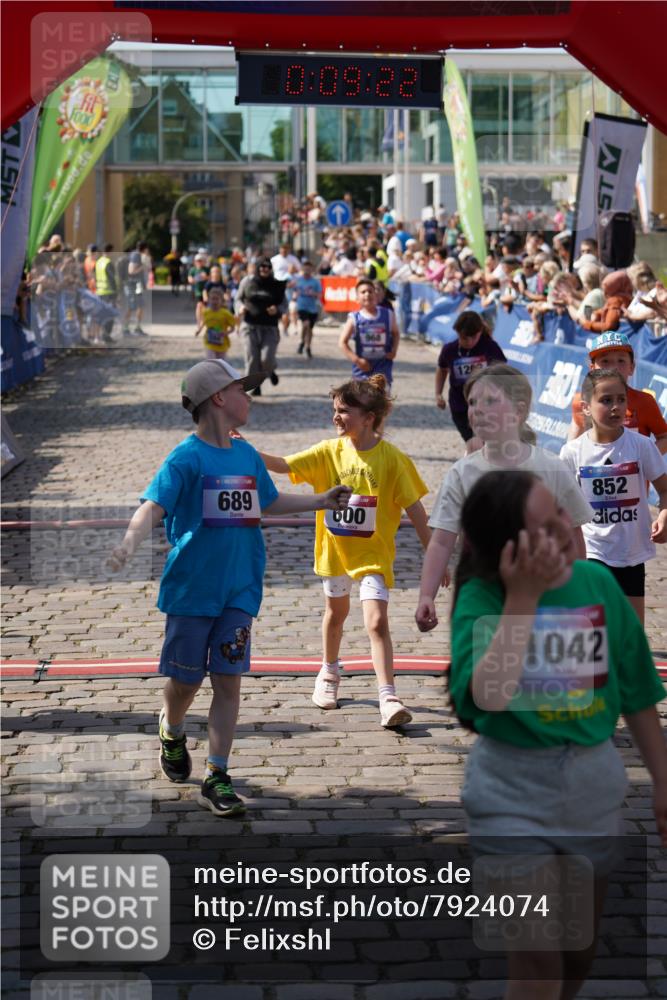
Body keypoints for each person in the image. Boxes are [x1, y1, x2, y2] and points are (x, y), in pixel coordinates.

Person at [449, 469, 666, 1000]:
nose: (569, 530)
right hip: (508, 790)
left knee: (577, 952)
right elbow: (486, 698)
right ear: (507, 549)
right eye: (546, 527)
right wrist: (522, 599)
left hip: (591, 786)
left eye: (564, 512)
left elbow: (636, 690)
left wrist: (663, 780)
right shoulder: (482, 596)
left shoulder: (595, 584)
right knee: (538, 957)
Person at [109, 358, 351, 817]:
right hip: (192, 591)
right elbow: (153, 506)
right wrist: (128, 542)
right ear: (219, 398)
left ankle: (218, 774)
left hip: (240, 588)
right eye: (244, 389)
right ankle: (172, 728)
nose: (250, 397)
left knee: (227, 681)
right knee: (185, 681)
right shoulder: (186, 458)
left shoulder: (246, 454)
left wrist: (321, 500)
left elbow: (271, 500)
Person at [257, 375, 430, 728]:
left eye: (344, 411)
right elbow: (284, 465)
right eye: (334, 410)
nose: (336, 417)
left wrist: (434, 556)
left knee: (377, 621)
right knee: (335, 615)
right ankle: (329, 672)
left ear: (369, 417)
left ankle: (388, 696)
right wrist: (246, 451)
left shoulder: (393, 459)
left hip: (373, 556)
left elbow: (416, 509)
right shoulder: (327, 451)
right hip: (336, 552)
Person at [416, 365, 593, 631]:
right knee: (485, 670)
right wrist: (426, 595)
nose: (477, 409)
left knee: (540, 670)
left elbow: (574, 535)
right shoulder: (461, 473)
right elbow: (441, 542)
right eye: (472, 402)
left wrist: (579, 595)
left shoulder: (551, 467)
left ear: (519, 411)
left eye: (490, 400)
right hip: (481, 600)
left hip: (544, 599)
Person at [559, 368, 667, 625]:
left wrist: (664, 515)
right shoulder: (572, 453)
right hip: (592, 551)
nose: (616, 407)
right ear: (586, 407)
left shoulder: (641, 446)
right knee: (595, 627)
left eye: (621, 399)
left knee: (632, 629)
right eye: (606, 400)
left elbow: (665, 489)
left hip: (631, 552)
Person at [567, 331, 667, 454]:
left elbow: (664, 437)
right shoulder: (580, 401)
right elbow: (572, 445)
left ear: (632, 367)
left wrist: (645, 461)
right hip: (592, 472)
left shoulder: (644, 402)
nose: (613, 367)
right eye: (605, 361)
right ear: (592, 369)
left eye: (621, 360)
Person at [434, 310, 507, 453]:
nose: (468, 342)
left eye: (473, 337)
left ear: (480, 332)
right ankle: (471, 470)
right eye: (463, 338)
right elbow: (442, 370)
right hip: (460, 407)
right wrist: (438, 394)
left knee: (484, 447)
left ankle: (473, 468)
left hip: (486, 407)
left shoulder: (490, 348)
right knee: (476, 445)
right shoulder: (450, 350)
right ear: (457, 332)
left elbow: (503, 373)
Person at [236, 256, 286, 397]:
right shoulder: (248, 281)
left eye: (268, 267)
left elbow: (284, 304)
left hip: (269, 327)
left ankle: (270, 369)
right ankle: (254, 385)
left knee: (266, 359)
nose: (265, 269)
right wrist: (240, 307)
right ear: (257, 268)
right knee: (252, 357)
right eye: (262, 266)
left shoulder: (277, 285)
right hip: (249, 326)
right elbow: (238, 298)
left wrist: (277, 310)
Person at [339, 277, 399, 387]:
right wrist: (357, 360)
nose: (367, 294)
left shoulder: (388, 314)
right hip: (362, 373)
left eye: (370, 291)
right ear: (357, 298)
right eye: (363, 292)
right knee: (363, 403)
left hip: (383, 371)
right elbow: (342, 342)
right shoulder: (354, 318)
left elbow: (396, 333)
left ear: (376, 295)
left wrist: (394, 351)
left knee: (381, 403)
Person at [290, 258, 321, 359]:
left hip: (312, 308)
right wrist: (294, 295)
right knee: (305, 324)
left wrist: (314, 294)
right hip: (301, 306)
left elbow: (320, 295)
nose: (307, 271)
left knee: (310, 329)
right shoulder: (298, 280)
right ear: (302, 269)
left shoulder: (315, 282)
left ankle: (307, 346)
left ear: (311, 270)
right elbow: (292, 289)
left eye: (309, 269)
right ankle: (302, 342)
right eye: (305, 269)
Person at [194, 286, 237, 360]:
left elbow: (233, 328)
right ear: (209, 300)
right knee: (211, 361)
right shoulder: (206, 312)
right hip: (209, 342)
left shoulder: (226, 314)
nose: (214, 301)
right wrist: (199, 330)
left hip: (222, 343)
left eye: (217, 299)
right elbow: (203, 322)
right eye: (212, 299)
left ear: (221, 300)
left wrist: (225, 333)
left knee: (221, 364)